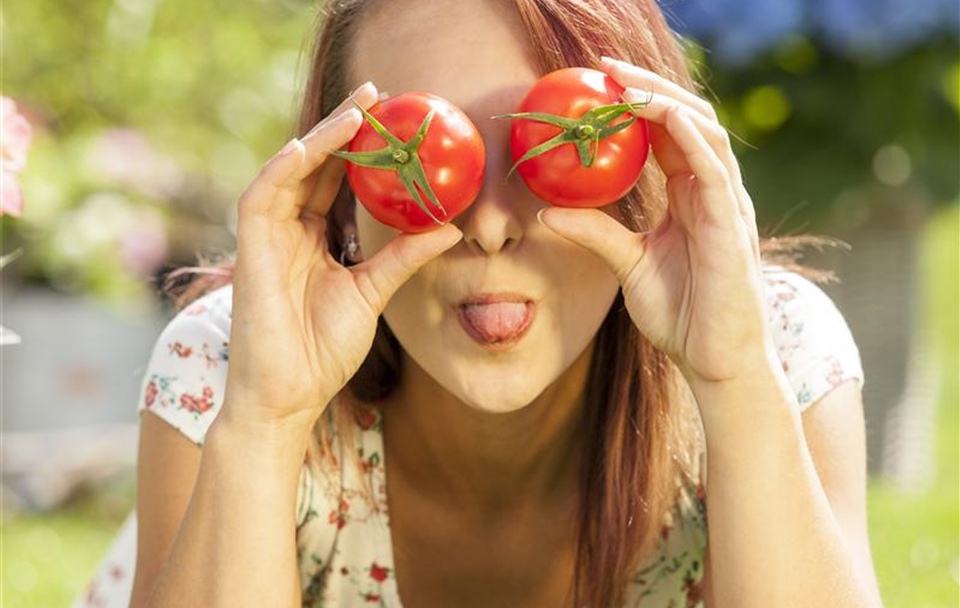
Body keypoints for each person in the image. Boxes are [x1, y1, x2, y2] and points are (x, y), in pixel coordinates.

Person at [74, 0, 885, 607]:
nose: (490, 226)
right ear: (340, 193)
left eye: (566, 146)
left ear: (649, 172)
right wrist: (262, 423)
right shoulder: (227, 365)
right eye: (418, 156)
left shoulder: (771, 348)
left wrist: (739, 383)